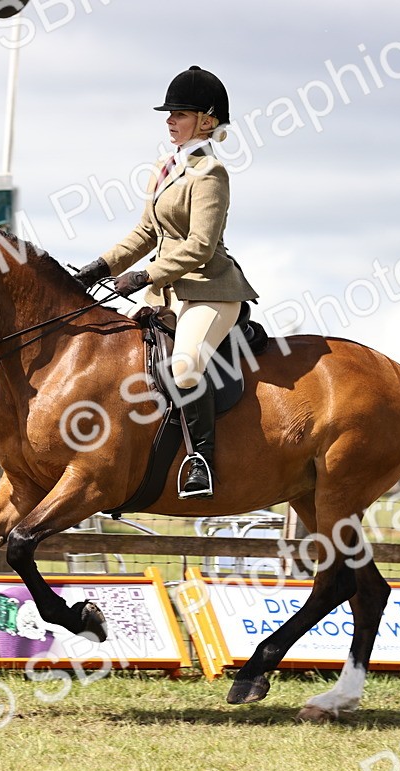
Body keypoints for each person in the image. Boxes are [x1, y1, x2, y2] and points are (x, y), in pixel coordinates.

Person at [74, 65, 259, 499]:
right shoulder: (164, 167)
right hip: (167, 293)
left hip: (208, 290)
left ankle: (201, 461)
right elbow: (145, 234)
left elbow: (198, 245)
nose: (169, 120)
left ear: (207, 120)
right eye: (169, 113)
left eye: (179, 113)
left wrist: (142, 275)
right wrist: (97, 267)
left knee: (184, 364)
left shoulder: (211, 173)